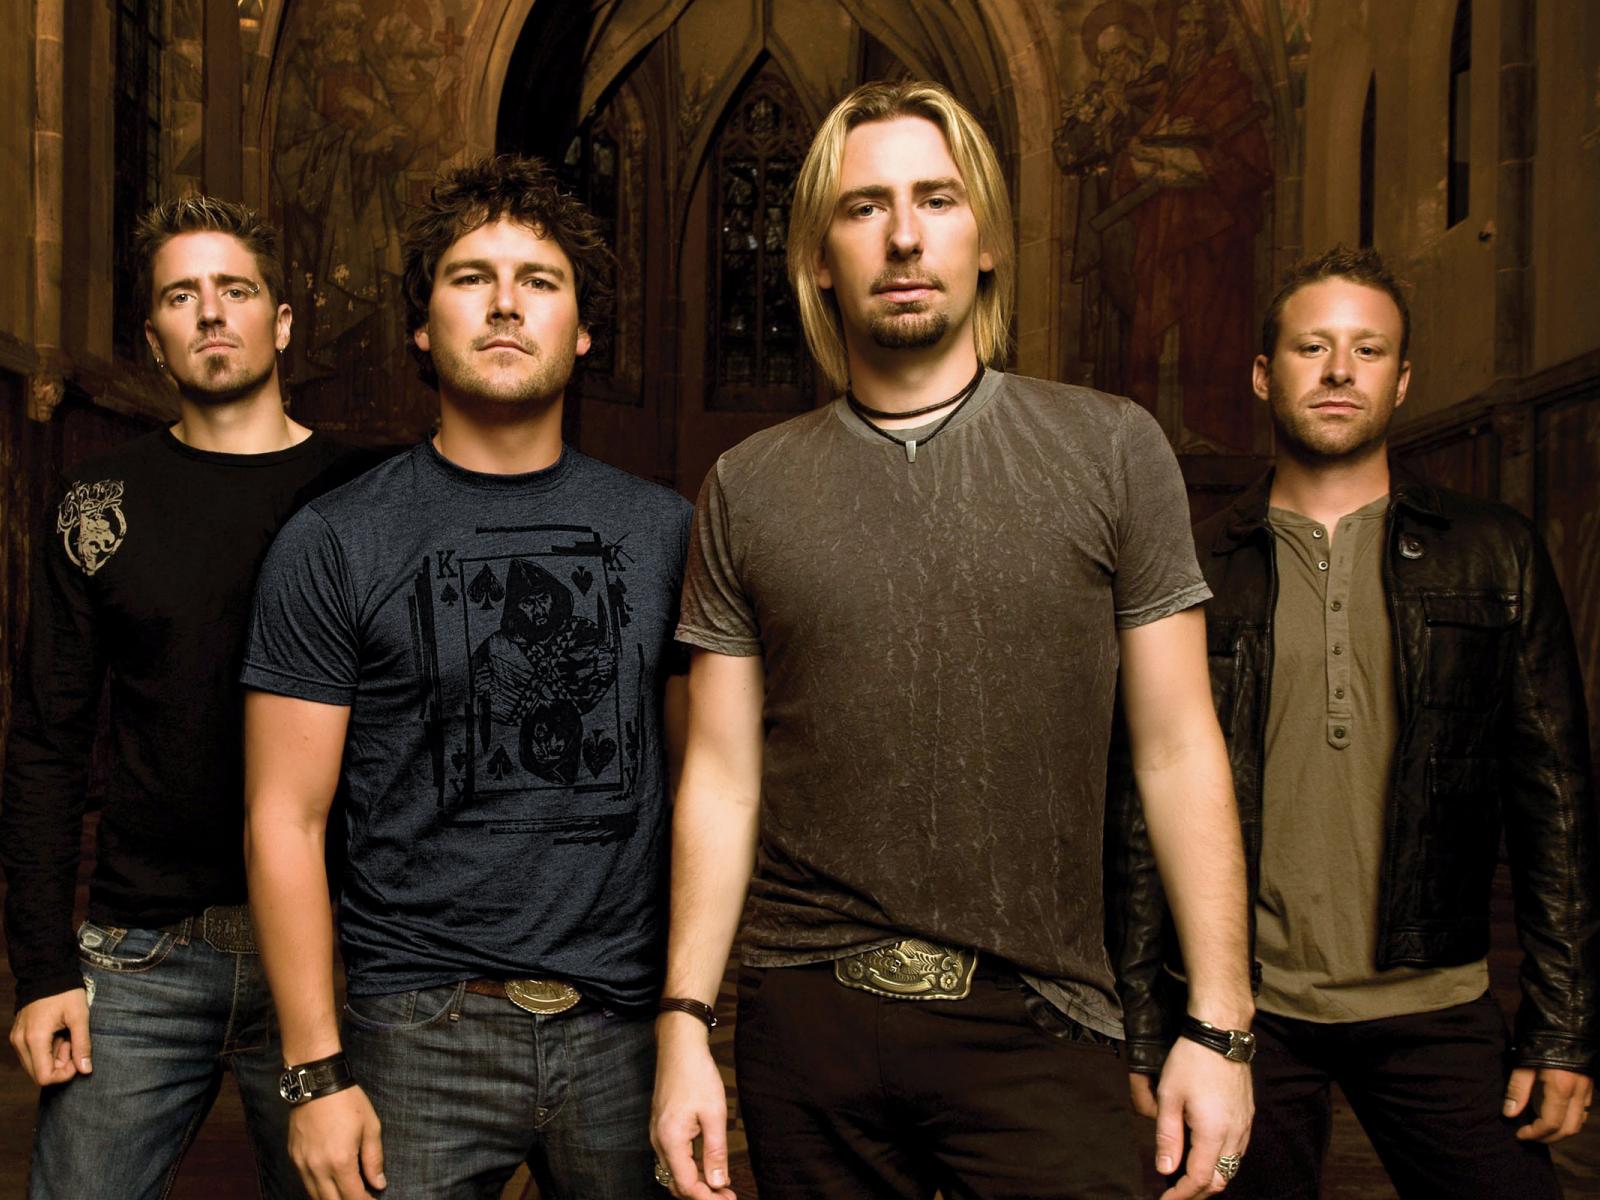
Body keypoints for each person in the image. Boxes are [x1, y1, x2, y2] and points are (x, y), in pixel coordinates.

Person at [650, 80, 1254, 1200]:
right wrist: (685, 1021)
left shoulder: (1112, 449)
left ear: (988, 241)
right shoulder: (748, 485)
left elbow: (1177, 749)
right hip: (808, 1021)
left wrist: (1220, 1027)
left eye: (936, 198)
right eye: (864, 206)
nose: (904, 234)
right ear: (817, 257)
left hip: (1043, 1018)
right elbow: (723, 779)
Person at [241, 154, 691, 1200]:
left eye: (539, 279)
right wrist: (315, 1073)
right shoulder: (336, 540)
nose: (504, 303)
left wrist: (687, 1022)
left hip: (622, 1030)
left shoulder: (667, 534)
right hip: (419, 1027)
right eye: (470, 276)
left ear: (582, 330)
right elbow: (283, 818)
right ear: (421, 324)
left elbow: (705, 789)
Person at [1121, 245, 1598, 1198]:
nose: (1340, 371)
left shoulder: (1493, 553)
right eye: (1313, 348)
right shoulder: (1193, 567)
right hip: (1242, 1013)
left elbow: (1556, 803)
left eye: (1368, 350)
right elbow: (1137, 807)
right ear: (1265, 375)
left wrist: (1563, 1025)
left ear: (1402, 379)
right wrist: (1144, 1022)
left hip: (1439, 1000)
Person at [0, 195, 366, 1199]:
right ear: (155, 339)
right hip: (140, 953)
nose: (210, 312)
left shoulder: (367, 493)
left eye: (234, 290)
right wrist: (42, 970)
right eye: (180, 296)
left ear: (280, 323)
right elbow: (45, 743)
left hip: (334, 952)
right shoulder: (96, 502)